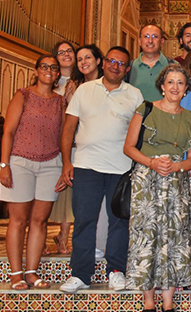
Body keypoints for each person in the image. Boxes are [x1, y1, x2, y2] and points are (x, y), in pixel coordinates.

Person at [58, 47, 144, 293]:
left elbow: (139, 134)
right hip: (86, 165)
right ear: (103, 63)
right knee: (84, 221)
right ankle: (80, 274)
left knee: (119, 221)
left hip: (121, 168)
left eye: (121, 63)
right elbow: (68, 128)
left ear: (127, 69)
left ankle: (116, 271)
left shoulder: (135, 95)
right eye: (111, 61)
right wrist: (67, 163)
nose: (115, 66)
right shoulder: (85, 90)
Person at [124, 65, 191, 312]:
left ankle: (168, 306)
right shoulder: (145, 109)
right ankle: (148, 304)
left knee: (173, 239)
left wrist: (176, 166)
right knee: (147, 237)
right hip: (147, 180)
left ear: (186, 88)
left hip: (177, 182)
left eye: (180, 83)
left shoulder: (190, 118)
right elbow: (128, 147)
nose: (175, 87)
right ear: (162, 85)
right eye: (170, 82)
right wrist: (152, 162)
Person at [0, 54, 66, 289]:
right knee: (18, 220)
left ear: (58, 74)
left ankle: (31, 273)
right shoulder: (23, 95)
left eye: (53, 68)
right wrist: (4, 164)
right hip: (20, 162)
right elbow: (8, 131)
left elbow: (63, 136)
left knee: (39, 220)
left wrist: (65, 166)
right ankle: (16, 273)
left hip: (51, 164)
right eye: (44, 66)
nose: (49, 70)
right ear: (36, 71)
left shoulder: (60, 102)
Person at [48, 44, 104, 255]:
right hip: (72, 144)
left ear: (98, 60)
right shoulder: (74, 86)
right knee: (65, 192)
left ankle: (78, 238)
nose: (83, 62)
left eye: (86, 58)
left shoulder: (107, 83)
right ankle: (62, 236)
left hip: (97, 148)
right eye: (80, 59)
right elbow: (68, 120)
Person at [128, 24, 172, 103]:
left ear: (162, 42)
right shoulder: (129, 68)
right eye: (146, 36)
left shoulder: (173, 66)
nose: (150, 41)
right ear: (140, 41)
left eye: (155, 37)